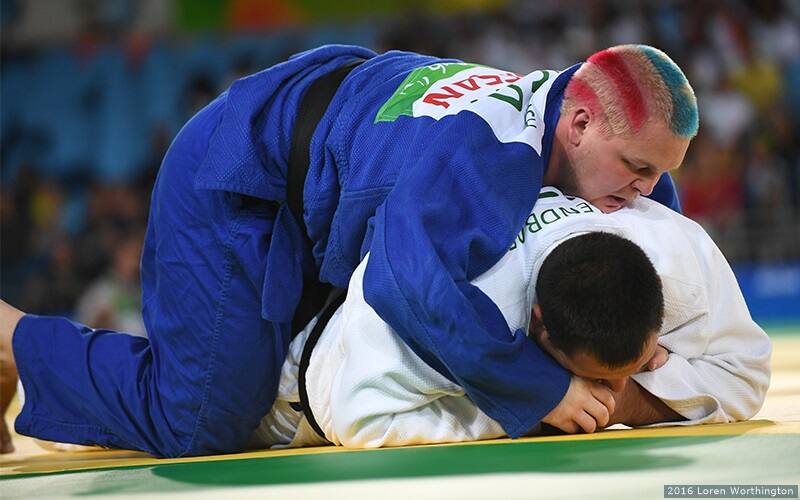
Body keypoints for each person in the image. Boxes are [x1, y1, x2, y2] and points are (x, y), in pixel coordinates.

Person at [0, 44, 699, 457]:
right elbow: (405, 285)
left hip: (324, 146)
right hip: (245, 170)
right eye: (638, 168)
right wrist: (544, 386)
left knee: (257, 392)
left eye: (661, 172)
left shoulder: (571, 121)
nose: (646, 190)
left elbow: (647, 227)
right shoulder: (489, 152)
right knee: (202, 417)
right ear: (577, 123)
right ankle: (10, 337)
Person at [249, 188, 770, 449]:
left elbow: (745, 373)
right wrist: (535, 401)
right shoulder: (457, 301)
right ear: (538, 326)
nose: (614, 388)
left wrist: (625, 401)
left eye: (639, 362)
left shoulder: (678, 251)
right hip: (297, 389)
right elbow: (357, 416)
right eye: (596, 377)